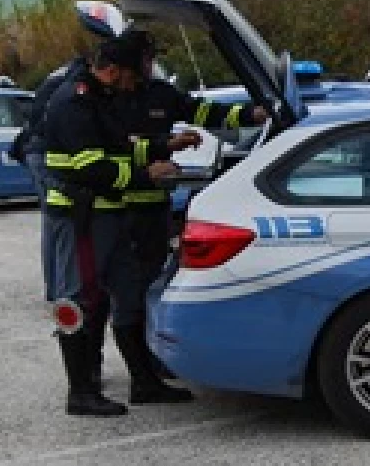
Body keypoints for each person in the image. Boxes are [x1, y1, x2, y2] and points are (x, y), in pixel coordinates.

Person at [109, 29, 269, 403]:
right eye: (146, 59)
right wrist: (167, 145)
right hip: (118, 209)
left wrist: (250, 113)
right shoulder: (107, 101)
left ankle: (153, 365)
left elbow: (203, 111)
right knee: (130, 292)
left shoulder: (160, 94)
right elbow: (113, 148)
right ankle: (141, 379)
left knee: (155, 284)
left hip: (154, 207)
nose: (151, 66)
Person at [38, 34, 182, 417]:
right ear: (114, 71)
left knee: (130, 291)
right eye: (135, 75)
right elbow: (91, 166)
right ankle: (80, 392)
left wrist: (162, 148)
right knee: (80, 298)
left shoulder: (103, 99)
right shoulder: (75, 102)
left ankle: (144, 382)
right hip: (81, 216)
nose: (138, 84)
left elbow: (119, 147)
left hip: (110, 214)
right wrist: (147, 174)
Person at [11, 53, 86, 303]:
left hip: (34, 153)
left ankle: (55, 291)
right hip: (46, 157)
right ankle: (67, 295)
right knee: (63, 225)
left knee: (52, 224)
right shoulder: (73, 84)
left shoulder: (57, 77)